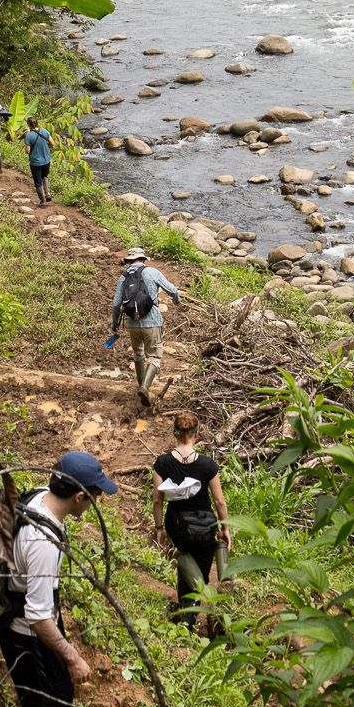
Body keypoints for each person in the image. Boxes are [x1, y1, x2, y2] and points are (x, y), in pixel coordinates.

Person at [2, 451, 116, 707]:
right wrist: (73, 657)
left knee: (54, 693)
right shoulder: (43, 543)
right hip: (27, 635)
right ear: (79, 497)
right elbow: (39, 619)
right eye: (95, 496)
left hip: (28, 609)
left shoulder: (40, 496)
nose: (95, 503)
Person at [152, 413, 230, 633]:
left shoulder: (163, 462)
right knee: (201, 572)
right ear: (197, 433)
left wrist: (159, 528)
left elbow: (158, 500)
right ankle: (190, 615)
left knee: (186, 557)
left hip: (178, 526)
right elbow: (219, 501)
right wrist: (225, 528)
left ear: (174, 433)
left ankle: (186, 616)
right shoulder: (207, 464)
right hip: (205, 527)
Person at [111, 248, 183, 407]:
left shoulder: (123, 277)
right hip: (152, 322)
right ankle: (145, 387)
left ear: (129, 261)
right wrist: (176, 299)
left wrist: (114, 325)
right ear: (143, 260)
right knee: (154, 356)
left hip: (132, 324)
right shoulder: (152, 272)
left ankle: (140, 384)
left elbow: (116, 304)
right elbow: (171, 289)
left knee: (138, 353)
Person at [21, 116, 55, 205]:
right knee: (45, 176)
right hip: (46, 160)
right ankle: (48, 193)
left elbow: (27, 150)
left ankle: (42, 201)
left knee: (37, 181)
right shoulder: (45, 132)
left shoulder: (28, 136)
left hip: (35, 162)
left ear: (29, 125)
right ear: (37, 123)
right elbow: (52, 143)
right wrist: (45, 145)